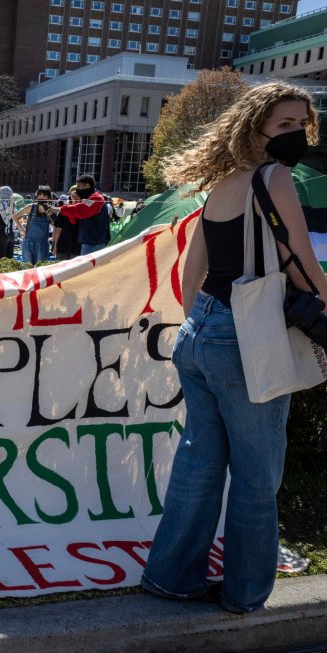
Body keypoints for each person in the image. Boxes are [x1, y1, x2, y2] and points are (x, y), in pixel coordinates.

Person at [140, 82, 326, 615]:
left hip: (199, 335)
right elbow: (303, 265)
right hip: (245, 340)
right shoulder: (276, 177)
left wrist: (206, 320)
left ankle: (171, 576)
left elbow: (190, 271)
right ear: (257, 129)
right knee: (256, 474)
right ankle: (244, 593)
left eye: (301, 126)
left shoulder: (222, 183)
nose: (296, 135)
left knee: (198, 463)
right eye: (285, 125)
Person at [48, 174, 107, 256]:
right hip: (88, 241)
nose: (77, 190)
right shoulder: (89, 199)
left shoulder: (97, 198)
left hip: (94, 242)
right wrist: (76, 201)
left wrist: (59, 208)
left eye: (79, 186)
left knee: (88, 268)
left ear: (87, 185)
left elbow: (80, 209)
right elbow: (74, 219)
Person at [13, 186, 52, 265]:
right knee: (28, 268)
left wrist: (53, 239)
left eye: (44, 196)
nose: (41, 198)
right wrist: (22, 231)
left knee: (40, 269)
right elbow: (15, 217)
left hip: (43, 244)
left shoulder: (51, 210)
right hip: (28, 243)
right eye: (39, 195)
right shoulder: (30, 207)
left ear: (48, 198)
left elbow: (56, 225)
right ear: (37, 196)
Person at [50, 191, 80, 261]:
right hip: (62, 246)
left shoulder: (84, 211)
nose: (75, 197)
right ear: (70, 197)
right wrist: (55, 245)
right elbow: (58, 228)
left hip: (77, 247)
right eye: (73, 195)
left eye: (77, 194)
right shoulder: (63, 210)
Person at [0, 186, 16, 259]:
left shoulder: (0, 204)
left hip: (2, 232)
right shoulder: (13, 204)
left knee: (0, 256)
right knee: (9, 256)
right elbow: (14, 216)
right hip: (11, 232)